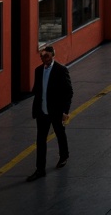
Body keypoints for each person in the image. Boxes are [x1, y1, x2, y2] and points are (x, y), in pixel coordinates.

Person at [27, 44, 72, 181]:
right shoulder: (38, 70)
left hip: (56, 110)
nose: (43, 59)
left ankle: (64, 155)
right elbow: (37, 90)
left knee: (59, 132)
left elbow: (69, 92)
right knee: (40, 140)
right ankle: (40, 170)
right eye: (41, 56)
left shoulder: (61, 70)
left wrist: (65, 111)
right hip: (42, 112)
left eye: (46, 56)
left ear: (53, 55)